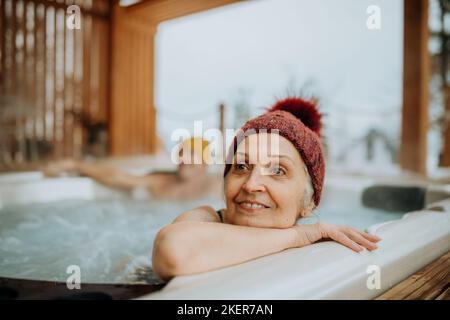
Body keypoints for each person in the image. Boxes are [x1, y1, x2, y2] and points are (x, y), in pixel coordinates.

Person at [152, 97, 381, 281]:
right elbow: (172, 250)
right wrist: (299, 235)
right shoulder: (205, 218)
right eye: (241, 166)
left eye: (278, 170)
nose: (251, 184)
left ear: (309, 202)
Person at [42, 137, 222, 201]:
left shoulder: (217, 186)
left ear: (206, 161)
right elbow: (118, 177)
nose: (183, 158)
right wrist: (76, 165)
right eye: (181, 153)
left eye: (192, 154)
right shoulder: (160, 180)